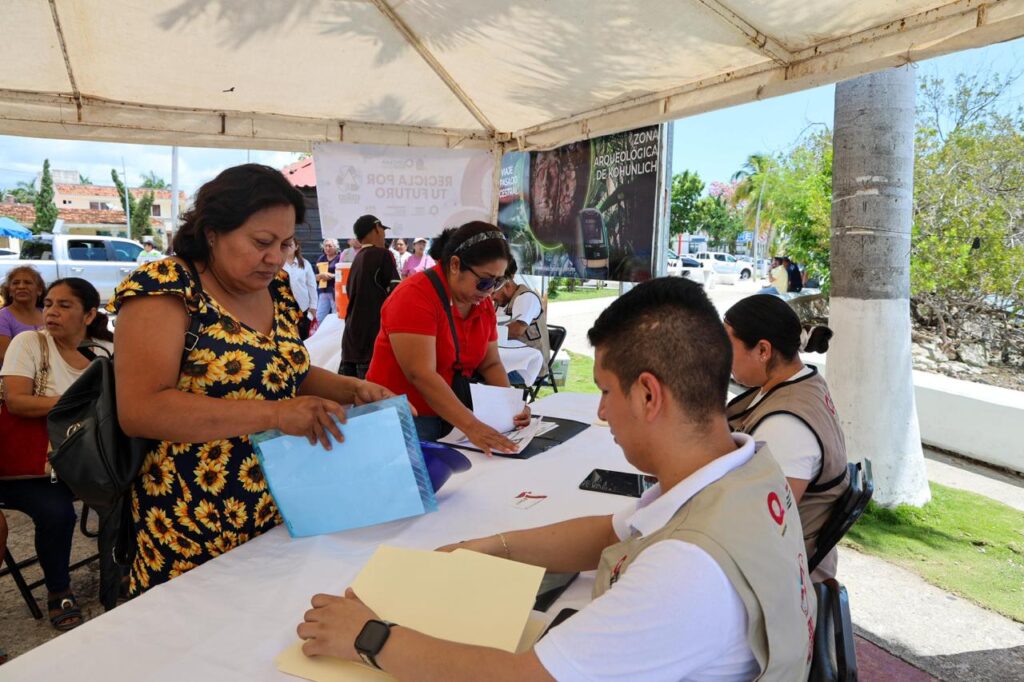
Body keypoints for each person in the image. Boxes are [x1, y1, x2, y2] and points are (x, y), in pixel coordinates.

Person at [297, 278, 815, 681]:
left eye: (607, 391)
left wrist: (370, 638)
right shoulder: (745, 467)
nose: (602, 412)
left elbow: (524, 678)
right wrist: (491, 548)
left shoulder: (686, 571)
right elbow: (610, 532)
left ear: (649, 395)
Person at [107, 164, 398, 595]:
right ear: (212, 232)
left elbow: (283, 371)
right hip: (192, 522)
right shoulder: (167, 285)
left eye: (285, 243)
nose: (276, 258)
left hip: (283, 505)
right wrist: (277, 415)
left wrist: (352, 389)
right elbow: (142, 409)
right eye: (262, 243)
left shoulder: (275, 289)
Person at [0, 277, 115, 631]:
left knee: (135, 488)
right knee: (56, 512)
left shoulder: (101, 352)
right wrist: (81, 407)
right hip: (28, 469)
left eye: (64, 306)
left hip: (80, 463)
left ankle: (120, 571)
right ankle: (58, 590)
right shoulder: (30, 342)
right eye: (48, 303)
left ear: (90, 313)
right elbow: (17, 401)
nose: (51, 312)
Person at [366, 223, 529, 451]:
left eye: (498, 282)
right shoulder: (414, 296)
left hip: (452, 420)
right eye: (485, 281)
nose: (491, 291)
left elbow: (490, 362)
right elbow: (421, 374)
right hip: (404, 420)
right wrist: (472, 426)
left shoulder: (480, 303)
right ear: (455, 265)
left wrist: (511, 405)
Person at [724, 294, 848, 580]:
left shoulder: (786, 426)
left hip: (779, 577)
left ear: (763, 350)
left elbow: (764, 526)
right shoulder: (798, 381)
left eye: (727, 346)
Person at [340, 215, 399, 380]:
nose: (384, 235)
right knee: (377, 398)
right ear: (375, 229)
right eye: (382, 230)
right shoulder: (383, 255)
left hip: (352, 339)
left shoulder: (357, 258)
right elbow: (397, 294)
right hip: (372, 338)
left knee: (357, 399)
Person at [491, 257, 550, 381]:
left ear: (506, 286)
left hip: (528, 367)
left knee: (485, 372)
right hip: (509, 360)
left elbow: (517, 330)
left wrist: (485, 335)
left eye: (493, 293)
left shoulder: (526, 298)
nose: (492, 298)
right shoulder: (501, 302)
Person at [0, 265, 45, 364]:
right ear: (9, 291)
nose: (21, 286)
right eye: (15, 283)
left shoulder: (47, 314)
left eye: (28, 282)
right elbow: (5, 357)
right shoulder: (2, 317)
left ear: (39, 290)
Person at [283, 240, 318, 340]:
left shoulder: (305, 263)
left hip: (303, 307)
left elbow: (311, 285)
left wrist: (313, 305)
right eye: (285, 245)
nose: (288, 247)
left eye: (290, 245)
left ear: (296, 247)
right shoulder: (278, 263)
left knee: (304, 338)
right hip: (284, 307)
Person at [315, 239, 340, 323]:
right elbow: (315, 276)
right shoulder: (321, 258)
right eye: (326, 246)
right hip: (323, 291)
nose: (327, 248)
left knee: (335, 316)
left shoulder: (339, 258)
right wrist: (319, 276)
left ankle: (334, 335)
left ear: (335, 247)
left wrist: (331, 276)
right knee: (320, 316)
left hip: (335, 291)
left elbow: (343, 274)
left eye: (330, 246)